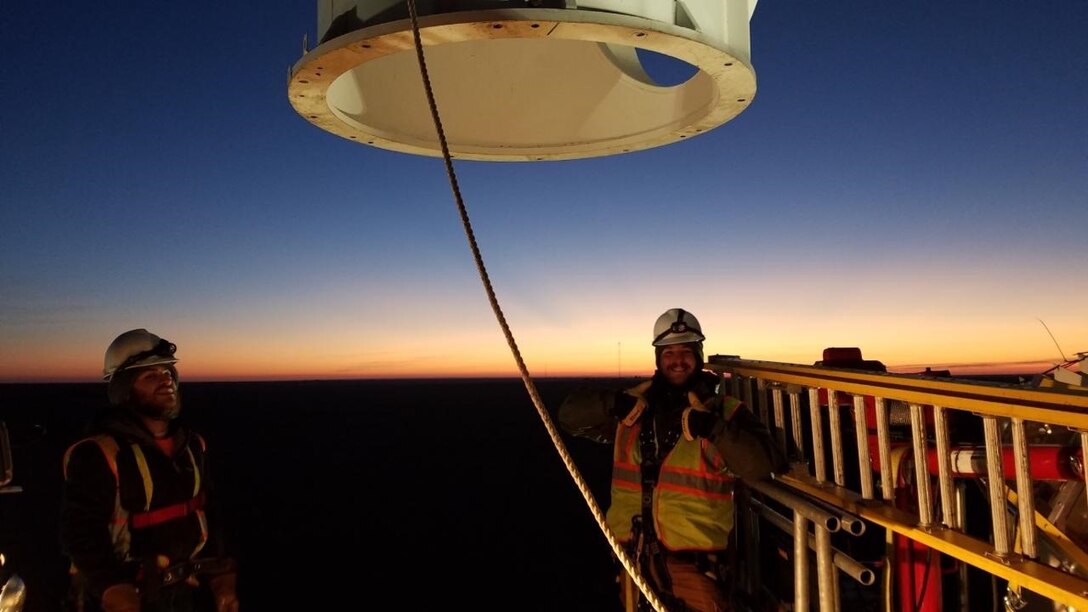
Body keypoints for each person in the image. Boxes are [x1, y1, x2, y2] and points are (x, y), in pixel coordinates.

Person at [559, 308, 785, 612]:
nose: (677, 360)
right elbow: (568, 417)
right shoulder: (633, 408)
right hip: (633, 566)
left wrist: (713, 428)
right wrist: (612, 402)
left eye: (686, 351)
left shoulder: (724, 412)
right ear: (657, 358)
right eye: (669, 353)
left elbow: (763, 465)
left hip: (696, 575)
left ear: (699, 354)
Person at [60, 329, 239, 612]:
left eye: (167, 372)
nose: (166, 380)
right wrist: (111, 587)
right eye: (150, 375)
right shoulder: (99, 453)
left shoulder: (192, 445)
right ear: (124, 389)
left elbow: (208, 511)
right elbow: (79, 531)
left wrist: (221, 574)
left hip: (183, 593)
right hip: (122, 598)